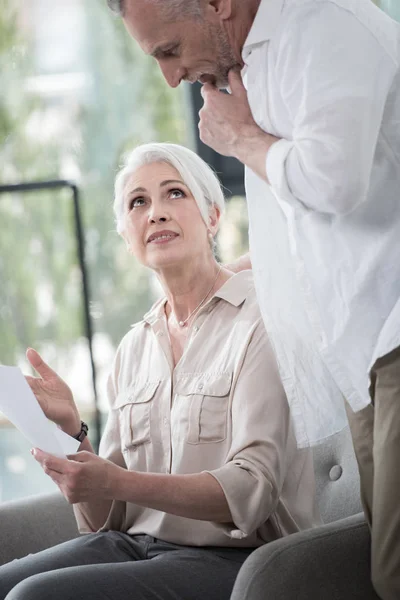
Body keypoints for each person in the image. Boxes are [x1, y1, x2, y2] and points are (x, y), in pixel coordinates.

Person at [106, 1, 400, 598]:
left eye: (168, 50)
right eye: (137, 203)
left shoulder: (324, 25)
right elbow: (308, 230)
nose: (171, 76)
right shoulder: (134, 347)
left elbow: (333, 182)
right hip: (362, 356)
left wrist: (240, 137)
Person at [0, 143, 320, 600]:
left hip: (241, 560)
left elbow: (252, 491)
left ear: (213, 217)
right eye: (138, 202)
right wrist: (73, 431)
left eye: (175, 193)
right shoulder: (134, 347)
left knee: (34, 597)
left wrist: (117, 481)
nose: (156, 213)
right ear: (125, 235)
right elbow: (103, 521)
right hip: (132, 546)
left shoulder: (262, 318)